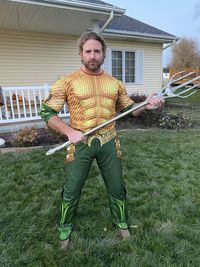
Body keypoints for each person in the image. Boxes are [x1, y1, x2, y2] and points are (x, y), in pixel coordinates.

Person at [40, 31, 164, 250]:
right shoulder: (67, 82)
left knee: (117, 186)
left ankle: (122, 223)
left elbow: (129, 111)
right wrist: (69, 132)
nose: (93, 56)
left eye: (97, 51)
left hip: (108, 140)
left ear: (104, 54)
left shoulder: (114, 83)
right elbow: (47, 111)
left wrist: (146, 105)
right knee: (72, 188)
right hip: (80, 142)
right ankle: (65, 228)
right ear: (81, 54)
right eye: (88, 51)